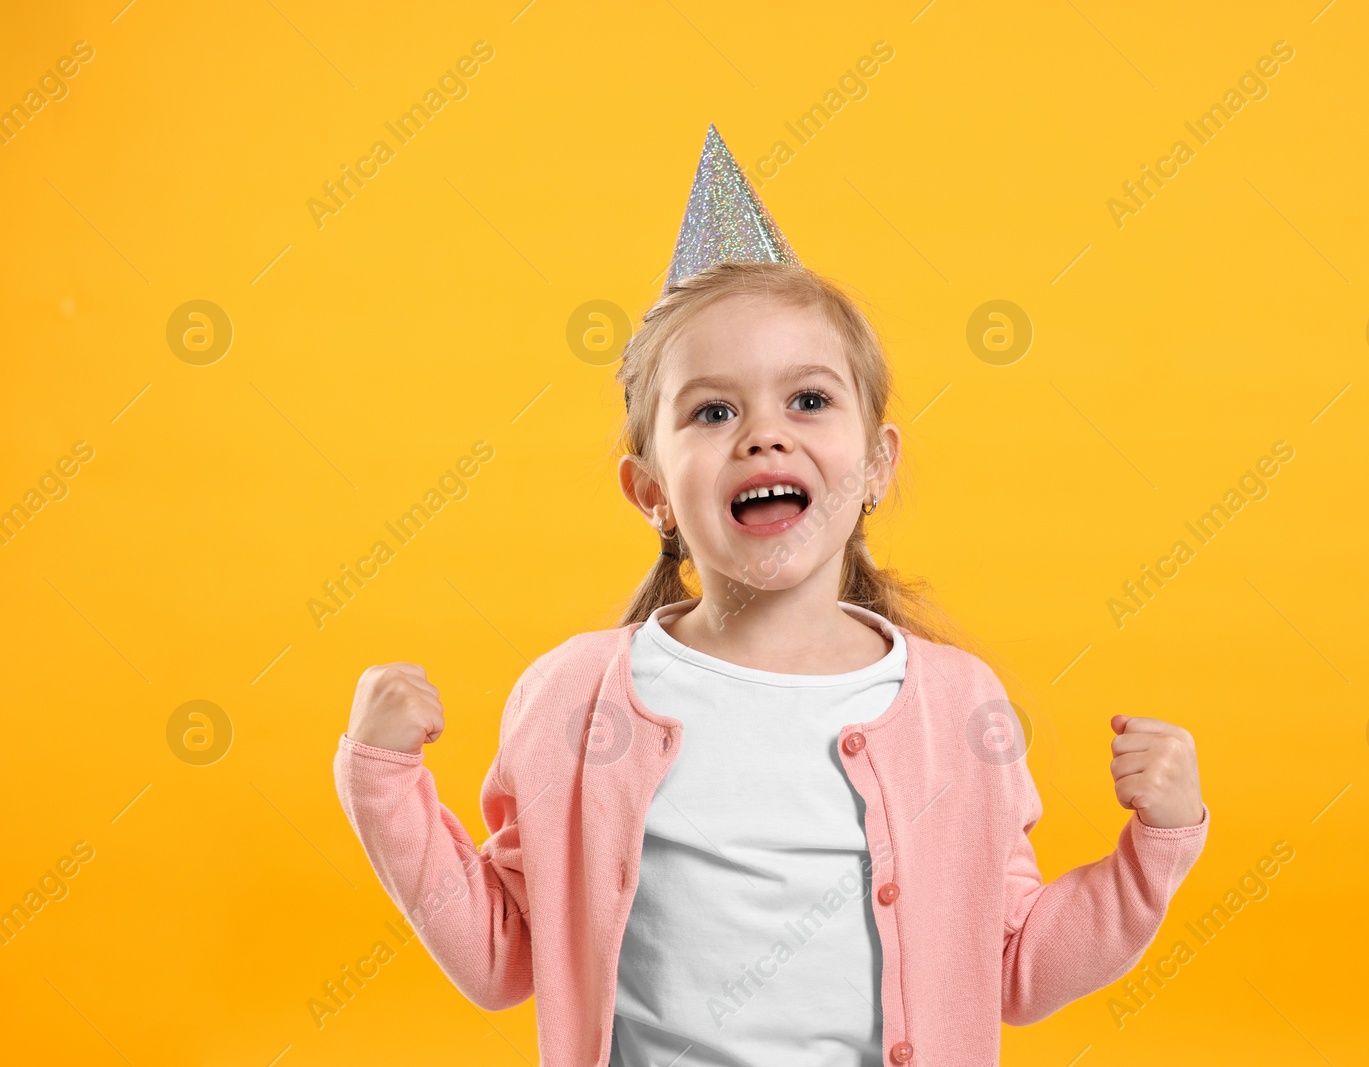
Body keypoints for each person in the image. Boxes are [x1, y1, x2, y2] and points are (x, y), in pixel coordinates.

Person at [333, 124, 1208, 1067]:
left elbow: (1015, 964)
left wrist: (1154, 850)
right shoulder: (574, 697)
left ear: (876, 465)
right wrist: (384, 784)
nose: (763, 436)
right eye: (713, 411)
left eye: (809, 401)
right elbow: (501, 954)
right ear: (651, 490)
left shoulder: (957, 707)